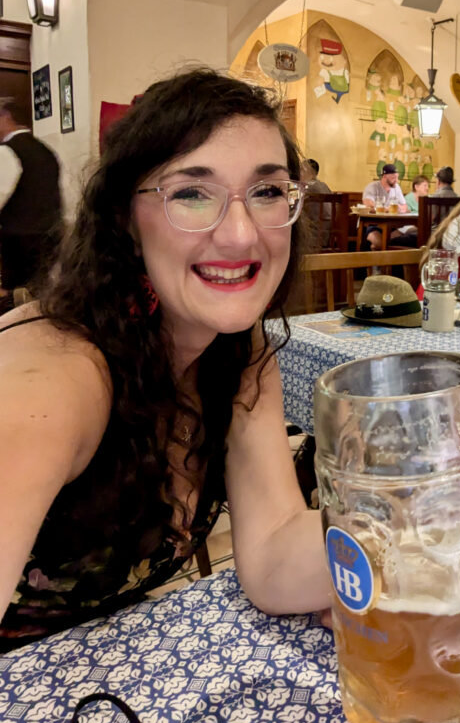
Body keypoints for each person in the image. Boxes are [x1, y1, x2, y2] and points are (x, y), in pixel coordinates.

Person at [0, 68, 331, 651]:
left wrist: (426, 520)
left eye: (268, 191)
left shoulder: (238, 350)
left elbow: (276, 552)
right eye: (191, 193)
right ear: (126, 219)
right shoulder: (56, 380)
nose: (239, 235)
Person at [0, 96, 63, 309]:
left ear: (6, 117)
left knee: (14, 295)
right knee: (41, 291)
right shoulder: (46, 151)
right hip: (50, 232)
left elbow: (0, 193)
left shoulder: (7, 150)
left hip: (18, 236)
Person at [362, 163, 408, 251]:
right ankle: (384, 261)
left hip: (393, 226)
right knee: (379, 243)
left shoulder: (397, 188)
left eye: (397, 177)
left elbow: (404, 206)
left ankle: (380, 261)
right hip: (373, 224)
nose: (396, 180)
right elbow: (368, 204)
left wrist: (400, 208)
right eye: (393, 178)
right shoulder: (372, 186)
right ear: (384, 176)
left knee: (410, 233)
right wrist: (388, 209)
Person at [300, 158, 332, 249]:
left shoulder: (307, 187)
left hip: (312, 235)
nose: (299, 172)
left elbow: (294, 207)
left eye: (301, 169)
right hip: (328, 234)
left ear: (308, 171)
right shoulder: (324, 186)